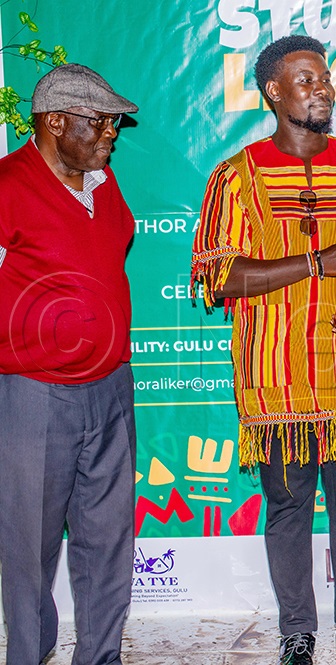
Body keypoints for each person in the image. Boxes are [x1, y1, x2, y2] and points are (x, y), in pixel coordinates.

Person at [191, 35, 336, 665]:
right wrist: (317, 262)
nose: (321, 90)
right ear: (273, 92)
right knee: (288, 506)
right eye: (306, 80)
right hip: (277, 376)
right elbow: (220, 277)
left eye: (325, 79)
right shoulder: (237, 177)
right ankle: (296, 633)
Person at [0, 64, 138, 665]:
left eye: (113, 121)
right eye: (101, 121)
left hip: (110, 387)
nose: (112, 132)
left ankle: (100, 657)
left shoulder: (102, 183)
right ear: (55, 122)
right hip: (35, 395)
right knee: (29, 548)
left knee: (108, 541)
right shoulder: (7, 185)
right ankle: (29, 656)